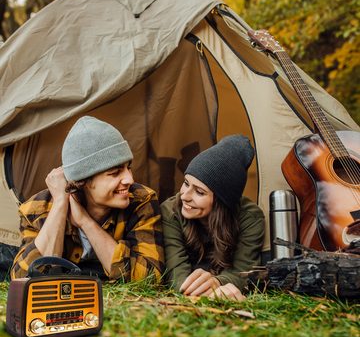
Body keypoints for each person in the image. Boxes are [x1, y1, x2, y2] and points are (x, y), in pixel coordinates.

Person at [11, 116, 164, 281]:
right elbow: (24, 278)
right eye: (114, 173)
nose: (129, 179)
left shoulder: (141, 201)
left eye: (128, 168)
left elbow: (150, 277)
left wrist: (85, 222)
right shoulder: (36, 209)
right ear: (83, 181)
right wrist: (61, 205)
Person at [161, 135, 265, 301]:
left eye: (199, 192)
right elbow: (176, 274)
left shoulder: (250, 217)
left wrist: (217, 282)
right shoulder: (170, 211)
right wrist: (193, 289)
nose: (185, 196)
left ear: (221, 201)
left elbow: (245, 271)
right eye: (186, 183)